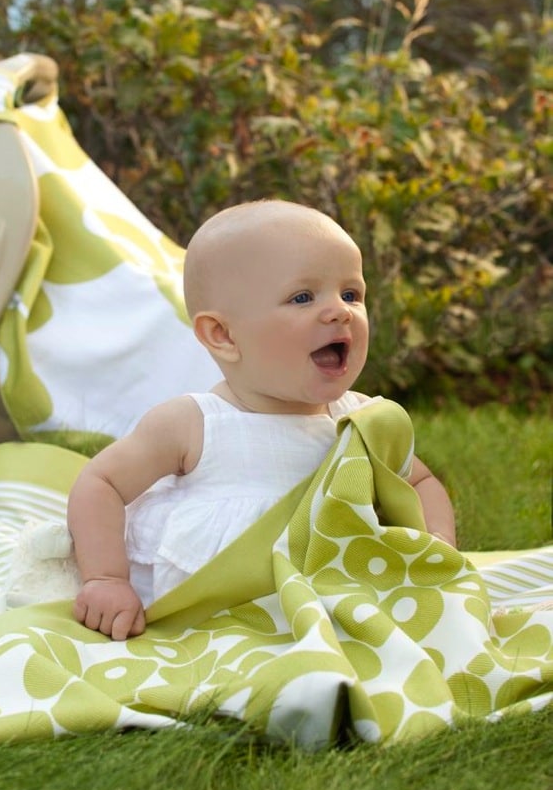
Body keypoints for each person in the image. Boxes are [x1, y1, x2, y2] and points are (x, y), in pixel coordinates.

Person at [67, 200, 456, 641]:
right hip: (211, 610)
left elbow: (421, 482)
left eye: (351, 294)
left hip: (328, 597)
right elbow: (100, 483)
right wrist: (106, 579)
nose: (339, 311)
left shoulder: (363, 422)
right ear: (224, 335)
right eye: (302, 297)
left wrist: (437, 544)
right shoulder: (194, 424)